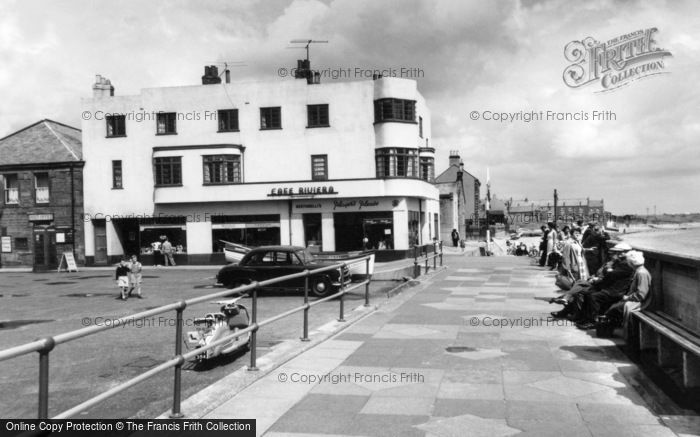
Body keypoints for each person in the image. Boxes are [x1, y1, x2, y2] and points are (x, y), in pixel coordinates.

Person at [603, 250, 652, 337]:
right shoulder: (639, 271)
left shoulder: (641, 273)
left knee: (614, 309)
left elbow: (641, 294)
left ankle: (623, 334)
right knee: (614, 306)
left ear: (631, 263)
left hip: (640, 302)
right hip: (635, 298)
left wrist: (627, 298)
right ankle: (620, 332)